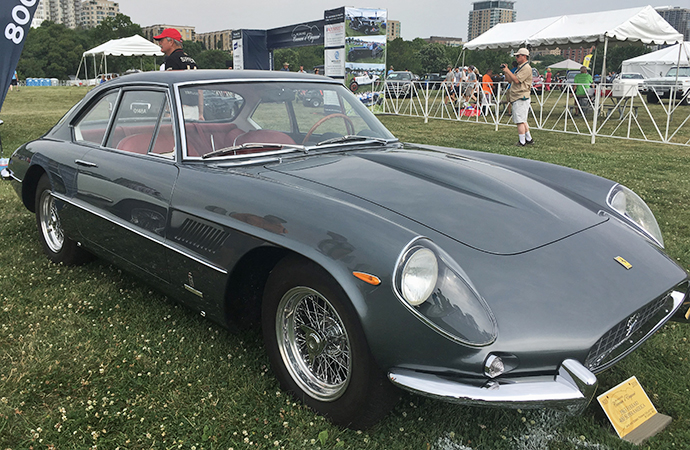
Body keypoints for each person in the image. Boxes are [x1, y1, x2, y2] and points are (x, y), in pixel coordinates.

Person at [501, 48, 533, 146]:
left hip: (521, 96)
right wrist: (506, 72)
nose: (516, 58)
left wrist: (508, 70)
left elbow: (517, 80)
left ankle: (522, 141)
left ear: (524, 56)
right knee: (523, 120)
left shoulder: (526, 68)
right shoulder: (520, 67)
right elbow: (510, 80)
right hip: (518, 96)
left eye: (518, 56)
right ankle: (529, 139)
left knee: (519, 121)